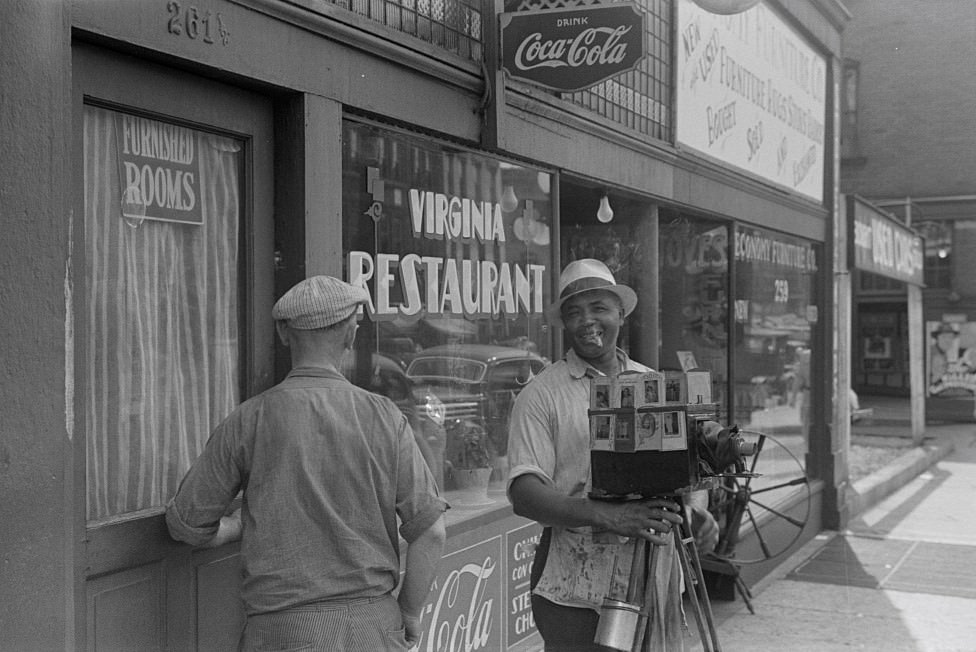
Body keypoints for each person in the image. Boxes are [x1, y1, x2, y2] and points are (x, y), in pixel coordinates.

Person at [166, 275, 448, 651]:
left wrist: (233, 528)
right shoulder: (385, 416)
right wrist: (409, 613)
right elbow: (431, 531)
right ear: (350, 335)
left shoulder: (250, 419)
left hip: (284, 631)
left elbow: (186, 524)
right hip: (375, 627)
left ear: (285, 335)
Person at [506, 258, 719, 652]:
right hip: (574, 589)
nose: (586, 320)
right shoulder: (542, 394)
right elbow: (524, 492)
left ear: (621, 313)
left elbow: (684, 467)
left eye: (599, 308)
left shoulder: (651, 383)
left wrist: (696, 511)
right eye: (573, 312)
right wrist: (611, 516)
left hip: (654, 581)